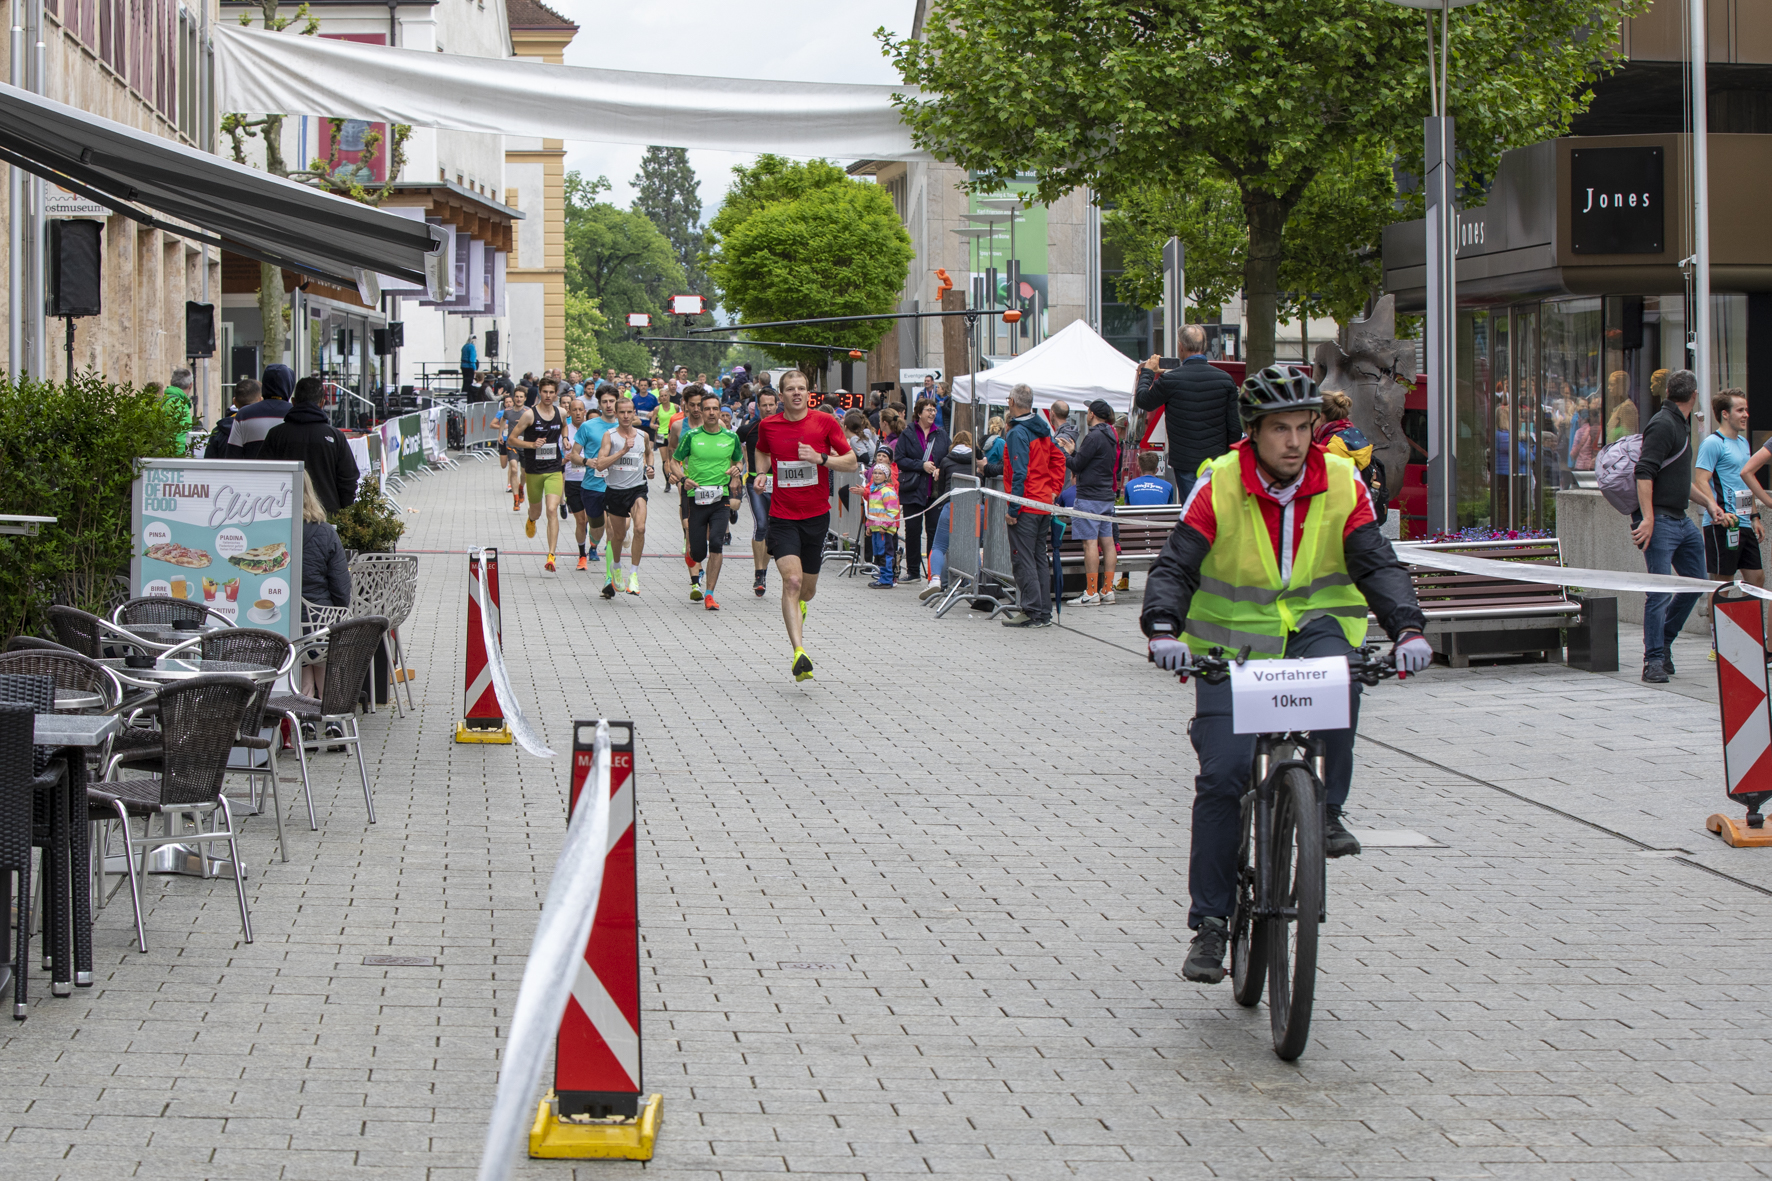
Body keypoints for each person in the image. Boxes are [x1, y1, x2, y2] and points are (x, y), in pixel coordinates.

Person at [1142, 365, 1430, 984]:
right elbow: (1176, 564)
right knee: (1222, 779)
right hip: (1233, 646)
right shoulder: (1218, 483)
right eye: (1280, 429)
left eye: (1303, 427)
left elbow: (1375, 563)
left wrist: (1408, 628)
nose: (1295, 442)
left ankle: (1327, 810)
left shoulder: (1342, 480)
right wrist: (1163, 630)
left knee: (1343, 675)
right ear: (1254, 432)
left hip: (1313, 626)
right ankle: (1212, 925)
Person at [753, 368, 858, 682]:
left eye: (801, 388)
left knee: (807, 592)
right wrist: (761, 473)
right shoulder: (769, 425)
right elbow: (761, 450)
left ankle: (800, 609)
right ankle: (799, 653)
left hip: (815, 518)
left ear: (808, 393)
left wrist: (820, 459)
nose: (796, 393)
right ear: (781, 394)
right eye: (790, 389)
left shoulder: (824, 423)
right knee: (792, 583)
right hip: (783, 518)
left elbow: (851, 461)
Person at [1630, 369, 1708, 684]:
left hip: (1680, 518)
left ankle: (1663, 642)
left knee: (1697, 582)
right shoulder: (1663, 424)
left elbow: (1678, 479)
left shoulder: (1680, 424)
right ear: (1694, 395)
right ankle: (1653, 661)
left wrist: (1710, 504)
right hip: (1660, 519)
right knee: (1660, 592)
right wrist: (1647, 518)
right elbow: (1644, 472)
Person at [1134, 324, 1240, 498]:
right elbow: (1234, 427)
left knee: (1192, 512)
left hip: (1185, 461)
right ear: (1204, 347)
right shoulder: (1225, 380)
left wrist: (1147, 372)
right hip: (1216, 462)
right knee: (1216, 511)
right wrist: (1228, 459)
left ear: (1180, 347)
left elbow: (1144, 401)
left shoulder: (1170, 380)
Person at [1693, 388, 1762, 647]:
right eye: (1740, 410)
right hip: (1722, 524)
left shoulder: (1743, 443)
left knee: (1756, 578)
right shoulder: (1713, 443)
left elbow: (1747, 481)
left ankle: (1748, 633)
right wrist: (1714, 509)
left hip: (1745, 523)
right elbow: (1700, 479)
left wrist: (1755, 515)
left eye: (1745, 409)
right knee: (1722, 583)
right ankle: (1717, 640)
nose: (1746, 414)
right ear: (1725, 414)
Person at [1001, 383, 1065, 628]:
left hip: (1027, 504)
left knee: (1023, 558)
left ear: (1012, 403)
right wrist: (1053, 490)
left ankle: (1030, 610)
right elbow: (1059, 459)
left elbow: (1019, 472)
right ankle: (1043, 612)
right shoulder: (1042, 429)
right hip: (1042, 503)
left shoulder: (1018, 432)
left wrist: (1013, 509)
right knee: (1039, 558)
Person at [674, 390, 745, 610]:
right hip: (695, 497)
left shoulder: (731, 437)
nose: (712, 413)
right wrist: (684, 478)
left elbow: (740, 463)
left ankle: (710, 593)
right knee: (697, 551)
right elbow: (674, 462)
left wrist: (736, 471)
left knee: (716, 542)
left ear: (721, 411)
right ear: (701, 412)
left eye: (716, 409)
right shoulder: (691, 436)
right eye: (707, 409)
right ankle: (695, 557)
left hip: (720, 497)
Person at [261, 376, 361, 513]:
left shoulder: (275, 435)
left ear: (293, 402)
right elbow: (348, 480)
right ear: (322, 403)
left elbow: (264, 475)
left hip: (283, 514)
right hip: (328, 515)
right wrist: (345, 515)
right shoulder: (335, 436)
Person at [591, 398, 655, 597]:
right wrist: (622, 451)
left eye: (629, 412)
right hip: (615, 491)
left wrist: (650, 467)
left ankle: (633, 575)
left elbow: (649, 454)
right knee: (617, 536)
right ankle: (616, 567)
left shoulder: (643, 435)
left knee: (640, 528)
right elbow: (600, 464)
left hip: (637, 490)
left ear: (634, 412)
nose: (626, 416)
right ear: (616, 414)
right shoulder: (609, 436)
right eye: (622, 413)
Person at [298, 470, 351, 697]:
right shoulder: (325, 532)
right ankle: (330, 717)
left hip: (282, 626)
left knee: (302, 658)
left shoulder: (268, 532)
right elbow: (341, 589)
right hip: (319, 621)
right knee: (320, 654)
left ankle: (304, 709)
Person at [508, 376, 567, 572]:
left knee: (552, 509)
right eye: (545, 392)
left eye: (552, 392)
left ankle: (551, 555)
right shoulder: (529, 415)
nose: (548, 396)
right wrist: (531, 445)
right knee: (537, 511)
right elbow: (512, 439)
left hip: (554, 470)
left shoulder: (561, 412)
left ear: (556, 393)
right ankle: (531, 519)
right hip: (534, 470)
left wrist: (565, 439)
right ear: (539, 392)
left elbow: (564, 425)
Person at [1066, 400, 1120, 605]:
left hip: (1089, 496)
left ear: (1092, 414)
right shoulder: (1111, 436)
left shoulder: (1093, 436)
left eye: (1088, 411)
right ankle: (1107, 589)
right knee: (1108, 542)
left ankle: (1091, 592)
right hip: (1106, 496)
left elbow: (1077, 465)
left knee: (1090, 543)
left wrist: (1068, 452)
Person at [893, 397, 950, 586]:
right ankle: (913, 571)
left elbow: (948, 457)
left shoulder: (941, 434)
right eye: (928, 410)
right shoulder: (908, 434)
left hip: (934, 491)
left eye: (934, 410)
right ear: (919, 413)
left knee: (934, 531)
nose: (932, 413)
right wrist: (921, 465)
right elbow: (900, 458)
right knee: (913, 531)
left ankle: (934, 574)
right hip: (913, 489)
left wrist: (941, 469)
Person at [572, 388, 621, 579]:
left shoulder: (623, 426)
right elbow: (574, 455)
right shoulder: (588, 426)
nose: (609, 405)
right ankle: (593, 542)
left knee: (613, 529)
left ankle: (611, 575)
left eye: (612, 401)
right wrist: (587, 461)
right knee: (598, 529)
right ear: (599, 404)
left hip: (616, 486)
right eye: (605, 401)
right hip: (592, 486)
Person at [737, 387, 781, 597]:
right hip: (755, 481)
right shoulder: (749, 429)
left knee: (772, 527)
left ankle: (764, 571)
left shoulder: (785, 427)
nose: (768, 408)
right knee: (761, 524)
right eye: (764, 405)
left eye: (771, 404)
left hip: (780, 484)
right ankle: (759, 573)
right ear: (758, 406)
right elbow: (734, 449)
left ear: (777, 404)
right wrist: (735, 472)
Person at [922, 430, 976, 600]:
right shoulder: (976, 461)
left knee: (939, 545)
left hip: (951, 505)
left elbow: (941, 483)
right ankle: (972, 580)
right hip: (972, 507)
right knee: (971, 546)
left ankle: (936, 579)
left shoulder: (946, 460)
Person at [228, 364, 294, 458]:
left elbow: (233, 456)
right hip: (289, 472)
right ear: (289, 385)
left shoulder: (243, 415)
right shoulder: (295, 413)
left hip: (253, 472)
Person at [865, 461, 902, 589]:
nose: (876, 475)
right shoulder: (874, 491)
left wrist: (885, 526)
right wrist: (868, 525)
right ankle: (882, 576)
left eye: (880, 473)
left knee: (885, 553)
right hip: (875, 528)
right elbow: (871, 511)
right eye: (875, 473)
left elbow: (893, 511)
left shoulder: (887, 491)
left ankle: (887, 578)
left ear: (886, 476)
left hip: (883, 530)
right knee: (878, 553)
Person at [205, 378, 259, 459]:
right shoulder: (263, 429)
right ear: (260, 400)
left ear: (234, 402)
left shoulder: (218, 432)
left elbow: (208, 463)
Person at [163, 367, 195, 435]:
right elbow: (181, 437)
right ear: (191, 385)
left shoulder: (165, 399)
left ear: (171, 382)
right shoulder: (179, 404)